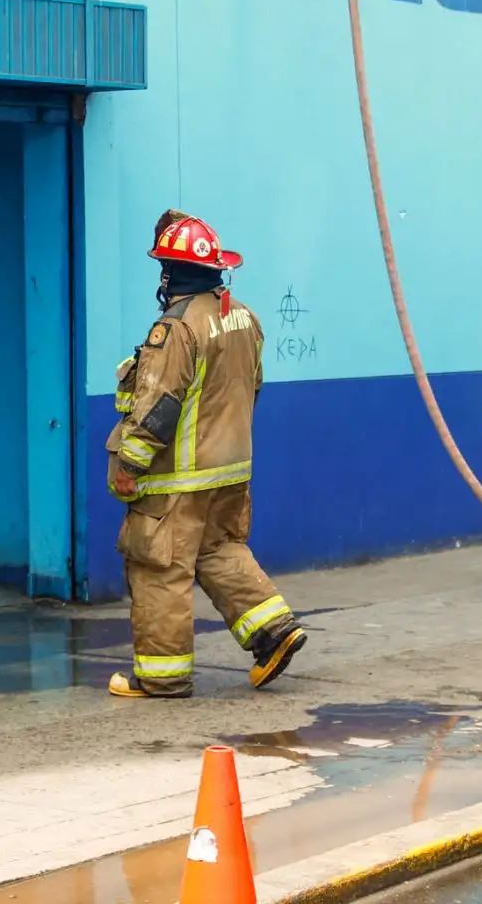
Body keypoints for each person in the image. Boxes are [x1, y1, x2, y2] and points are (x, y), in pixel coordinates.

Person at [106, 210, 306, 698]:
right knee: (219, 551)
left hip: (178, 479)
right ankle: (274, 632)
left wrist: (129, 465)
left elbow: (157, 406)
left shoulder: (175, 329)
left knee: (159, 567)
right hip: (231, 472)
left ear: (169, 272)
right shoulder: (243, 318)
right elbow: (251, 387)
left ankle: (162, 676)